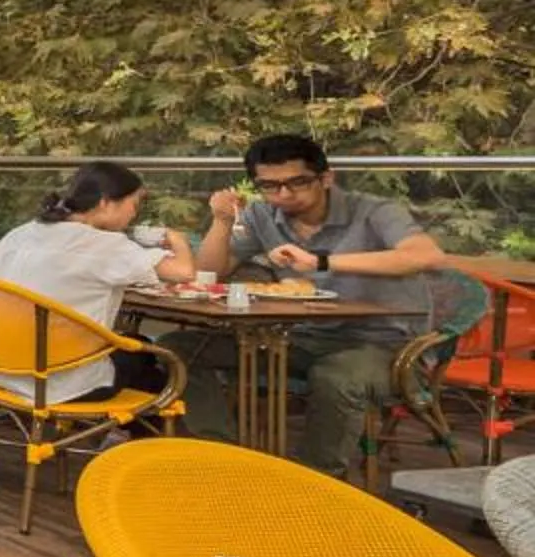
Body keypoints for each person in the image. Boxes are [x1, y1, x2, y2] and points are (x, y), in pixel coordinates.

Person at [175, 132, 446, 472]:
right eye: (270, 186)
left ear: (326, 178)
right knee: (179, 348)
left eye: (297, 182)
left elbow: (427, 256)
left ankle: (316, 481)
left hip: (383, 344)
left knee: (336, 376)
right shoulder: (262, 215)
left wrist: (321, 262)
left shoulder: (374, 211)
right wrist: (222, 221)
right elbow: (210, 273)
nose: (284, 194)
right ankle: (226, 459)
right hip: (299, 338)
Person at [0, 161, 194, 402]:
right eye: (133, 205)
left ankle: (106, 435)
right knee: (152, 364)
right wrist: (178, 240)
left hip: (5, 370)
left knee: (135, 351)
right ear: (105, 202)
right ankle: (135, 437)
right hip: (66, 382)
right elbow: (183, 272)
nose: (134, 214)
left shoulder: (18, 235)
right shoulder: (105, 245)